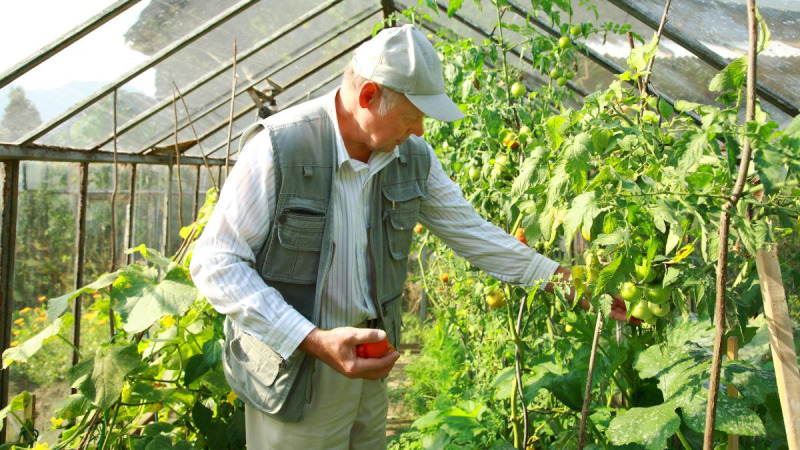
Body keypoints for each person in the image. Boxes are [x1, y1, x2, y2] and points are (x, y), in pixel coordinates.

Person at [189, 24, 632, 449]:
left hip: (370, 362)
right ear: (367, 96)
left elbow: (470, 231)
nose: (419, 130)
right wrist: (313, 340)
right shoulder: (280, 147)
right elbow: (215, 262)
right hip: (294, 368)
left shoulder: (410, 156)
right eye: (411, 117)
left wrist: (568, 281)